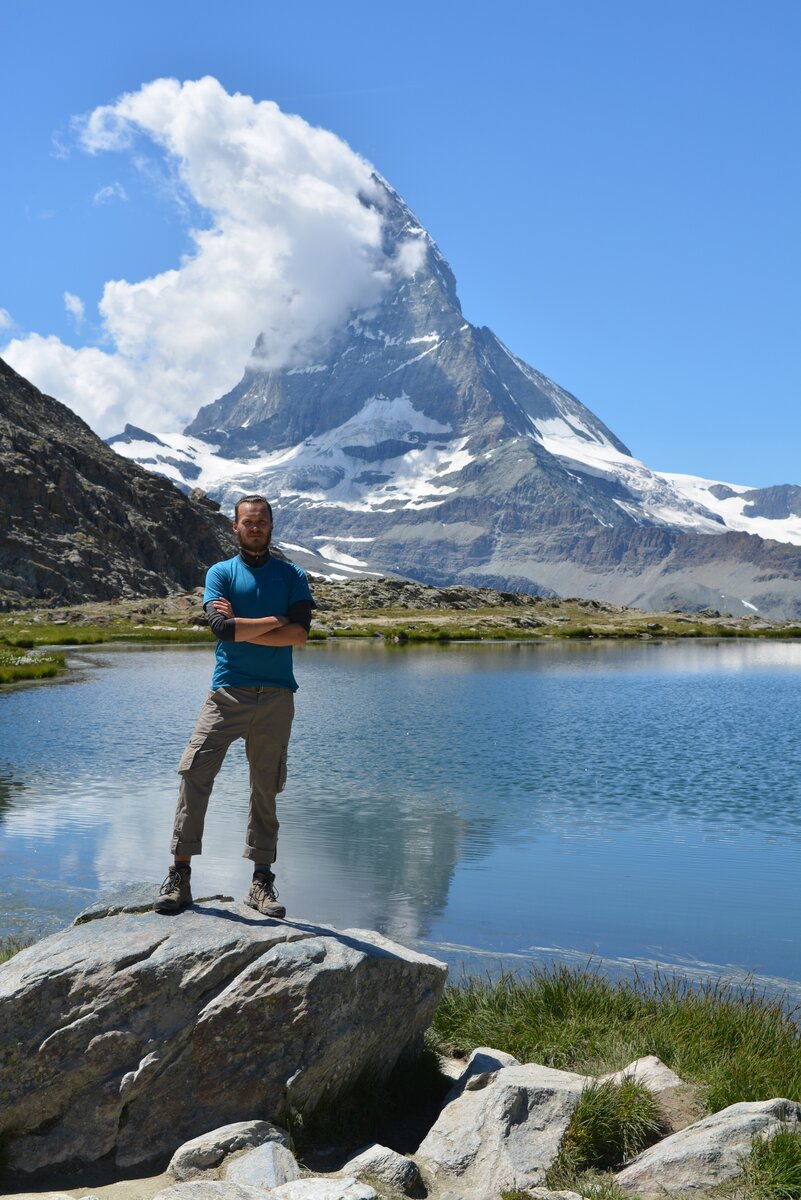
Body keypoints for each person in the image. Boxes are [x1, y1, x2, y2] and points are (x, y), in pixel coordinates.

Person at [154, 494, 314, 918]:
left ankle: (261, 884)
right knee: (195, 772)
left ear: (272, 526)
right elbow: (221, 629)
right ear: (235, 527)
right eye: (248, 521)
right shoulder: (220, 573)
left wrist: (247, 626)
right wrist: (276, 621)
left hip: (277, 696)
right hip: (226, 694)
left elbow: (300, 636)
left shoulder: (292, 575)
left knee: (266, 787)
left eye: (262, 521)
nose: (255, 527)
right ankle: (179, 877)